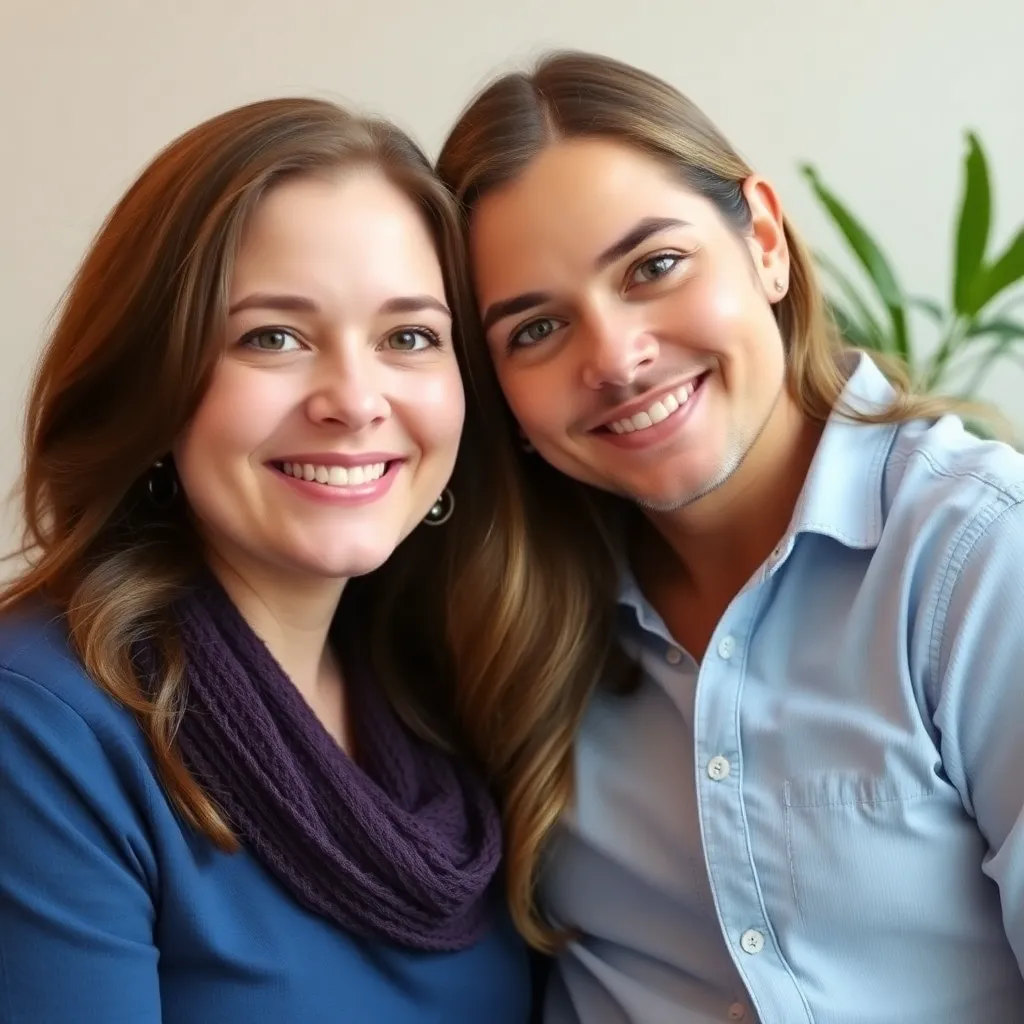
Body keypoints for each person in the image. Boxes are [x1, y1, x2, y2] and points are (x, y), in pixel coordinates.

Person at [435, 49, 1024, 1023]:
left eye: (653, 267)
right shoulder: (500, 618)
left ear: (764, 240)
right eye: (535, 329)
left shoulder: (978, 551)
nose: (616, 359)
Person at [0, 96, 533, 1022]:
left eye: (408, 337)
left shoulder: (441, 687)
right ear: (156, 381)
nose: (354, 400)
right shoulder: (42, 725)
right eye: (272, 337)